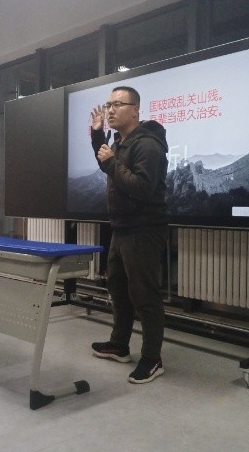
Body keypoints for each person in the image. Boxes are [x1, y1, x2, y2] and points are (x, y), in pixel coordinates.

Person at [89, 85, 169, 384]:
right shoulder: (121, 142)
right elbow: (107, 166)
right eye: (108, 104)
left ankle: (152, 358)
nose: (110, 110)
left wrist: (111, 161)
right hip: (122, 229)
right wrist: (97, 136)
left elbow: (141, 188)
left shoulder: (147, 145)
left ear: (135, 110)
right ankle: (120, 345)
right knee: (119, 290)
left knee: (145, 296)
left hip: (144, 230)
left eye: (118, 104)